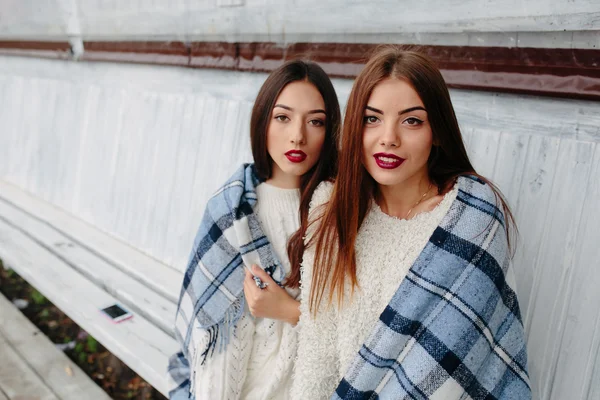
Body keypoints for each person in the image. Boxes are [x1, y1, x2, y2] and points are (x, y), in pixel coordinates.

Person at [292, 47, 531, 399]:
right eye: (372, 119)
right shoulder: (332, 208)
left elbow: (468, 367)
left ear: (437, 131)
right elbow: (318, 351)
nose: (389, 137)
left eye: (411, 120)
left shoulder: (469, 220)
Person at [168, 59, 340, 400]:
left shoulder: (339, 207)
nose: (298, 136)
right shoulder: (234, 212)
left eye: (315, 122)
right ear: (263, 121)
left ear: (330, 130)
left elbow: (352, 324)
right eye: (283, 117)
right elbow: (214, 333)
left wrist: (290, 312)